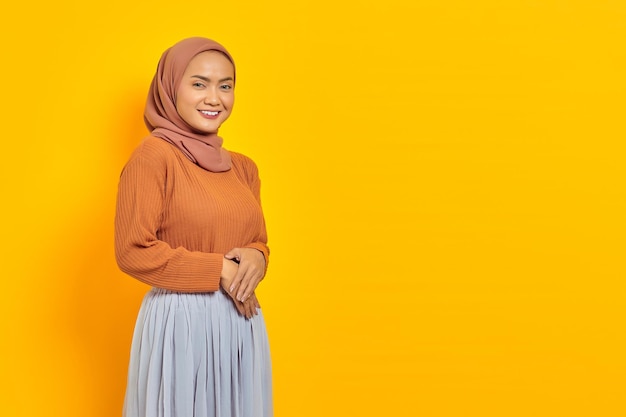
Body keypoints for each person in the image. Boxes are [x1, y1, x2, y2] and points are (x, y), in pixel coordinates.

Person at [115, 37, 272, 417]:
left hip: (241, 323)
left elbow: (256, 240)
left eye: (225, 86)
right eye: (199, 83)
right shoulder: (154, 157)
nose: (214, 98)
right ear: (171, 88)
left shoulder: (243, 168)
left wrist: (258, 255)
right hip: (180, 324)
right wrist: (216, 268)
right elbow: (132, 250)